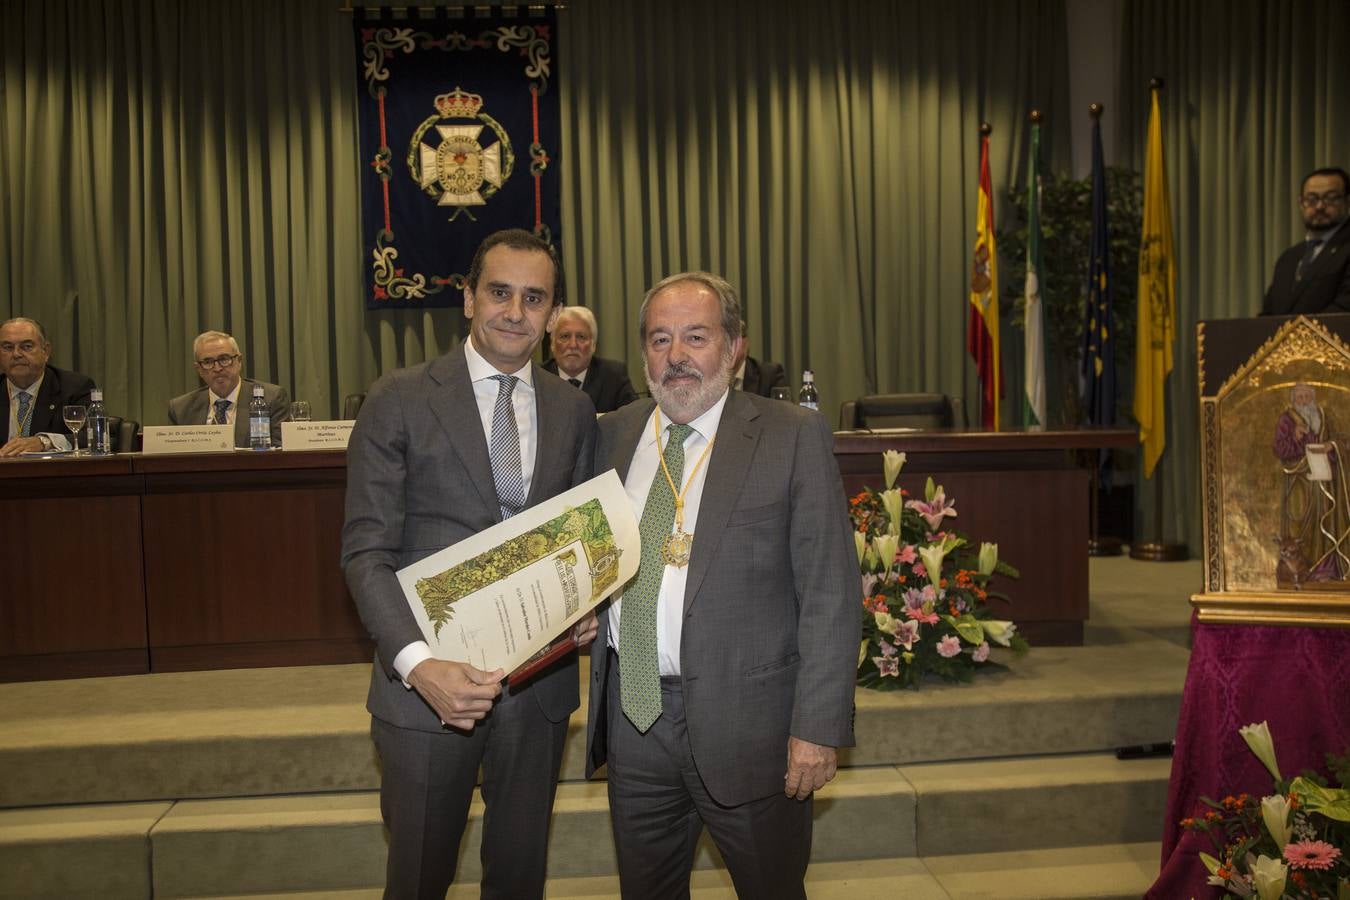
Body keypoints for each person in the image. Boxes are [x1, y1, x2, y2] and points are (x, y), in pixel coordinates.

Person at [341, 229, 599, 899]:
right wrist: (418, 666)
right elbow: (365, 551)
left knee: (519, 879)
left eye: (534, 297)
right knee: (420, 875)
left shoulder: (573, 410)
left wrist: (591, 599)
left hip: (538, 689)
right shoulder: (396, 398)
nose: (516, 311)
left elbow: (571, 535)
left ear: (552, 311)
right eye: (500, 292)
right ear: (467, 298)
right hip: (427, 691)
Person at [585, 271, 859, 898]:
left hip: (752, 729)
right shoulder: (614, 434)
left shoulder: (792, 436)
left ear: (735, 348)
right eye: (659, 339)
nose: (676, 356)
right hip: (636, 722)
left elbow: (830, 595)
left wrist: (817, 727)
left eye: (696, 337)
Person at [1273, 382, 1348, 584]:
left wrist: (1330, 446)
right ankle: (1298, 571)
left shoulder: (1323, 416)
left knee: (1325, 521)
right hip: (1300, 482)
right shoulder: (1287, 420)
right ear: (1293, 400)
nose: (1304, 401)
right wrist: (1295, 438)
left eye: (1307, 397)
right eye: (1299, 397)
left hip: (1324, 481)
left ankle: (1325, 569)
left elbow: (1341, 440)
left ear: (1313, 399)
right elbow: (1280, 449)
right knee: (1300, 526)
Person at [167, 331, 290, 446]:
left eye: (224, 359)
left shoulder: (271, 398)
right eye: (208, 362)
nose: (217, 368)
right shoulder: (180, 409)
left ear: (239, 361)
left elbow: (278, 455)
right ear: (199, 370)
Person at [1261, 167, 1350, 316]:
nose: (1320, 206)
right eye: (1312, 199)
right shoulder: (1288, 258)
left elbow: (1344, 308)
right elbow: (1268, 314)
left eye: (1331, 198)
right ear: (1301, 203)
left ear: (1347, 201)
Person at [0, 317, 95, 457]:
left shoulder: (75, 388)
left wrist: (44, 442)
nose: (16, 354)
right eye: (7, 347)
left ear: (46, 351)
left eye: (26, 346)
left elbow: (93, 435)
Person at [543, 305, 639, 412]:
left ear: (593, 345)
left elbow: (634, 418)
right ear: (552, 344)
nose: (573, 345)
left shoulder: (614, 376)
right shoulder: (539, 377)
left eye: (581, 337)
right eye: (565, 336)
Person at [731, 318, 789, 396]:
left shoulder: (770, 375)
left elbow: (783, 406)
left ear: (745, 343)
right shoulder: (715, 375)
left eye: (732, 341)